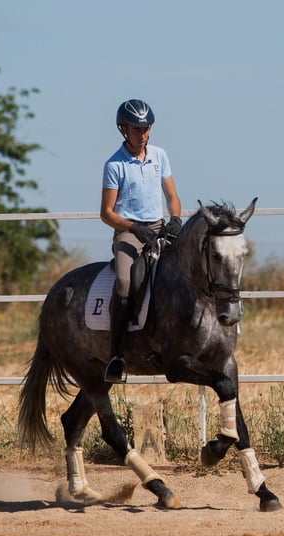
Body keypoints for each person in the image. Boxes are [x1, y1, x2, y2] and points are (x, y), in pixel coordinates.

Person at [100, 98, 182, 383]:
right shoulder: (114, 165)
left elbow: (172, 196)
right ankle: (116, 355)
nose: (143, 134)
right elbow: (106, 213)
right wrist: (134, 228)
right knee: (125, 281)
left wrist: (175, 219)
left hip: (160, 228)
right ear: (123, 129)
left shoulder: (159, 156)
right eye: (137, 129)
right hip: (128, 233)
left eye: (146, 128)